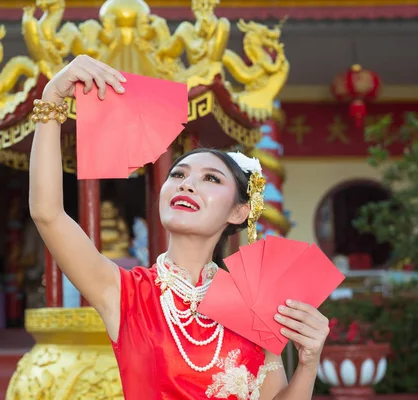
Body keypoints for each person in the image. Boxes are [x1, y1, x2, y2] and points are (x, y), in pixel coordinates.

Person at [29, 55, 330, 399]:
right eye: (178, 175)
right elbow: (47, 213)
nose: (187, 185)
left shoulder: (253, 305)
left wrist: (309, 363)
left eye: (210, 179)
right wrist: (52, 99)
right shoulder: (126, 294)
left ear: (238, 211)